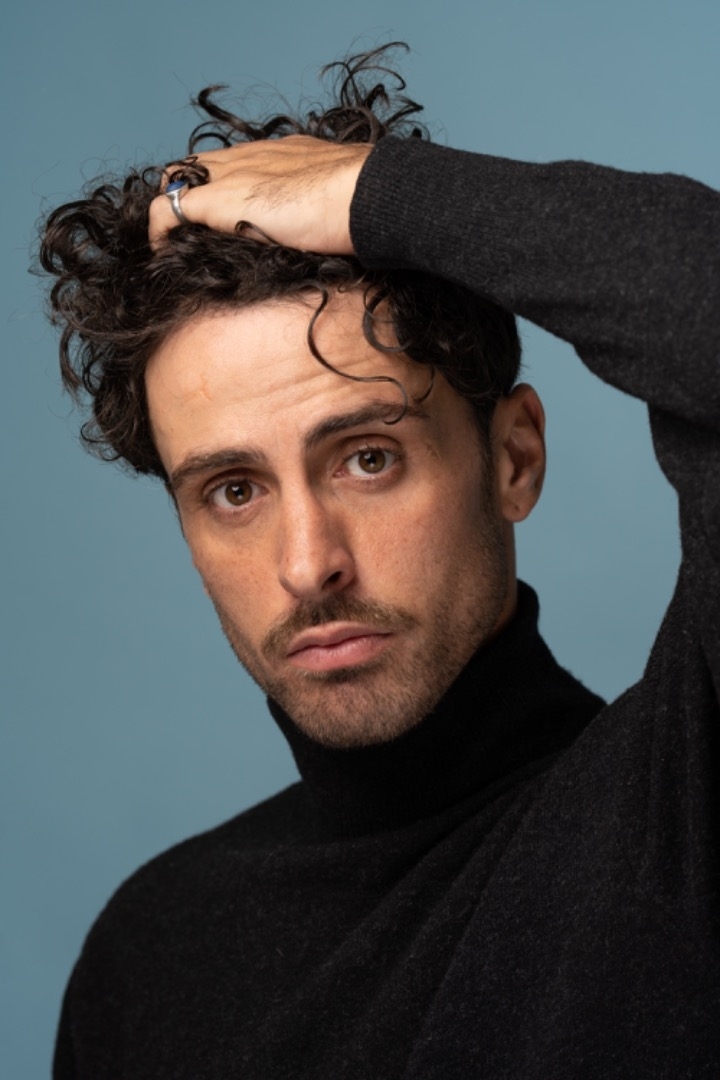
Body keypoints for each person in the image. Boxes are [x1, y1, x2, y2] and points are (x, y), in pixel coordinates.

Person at [42, 45, 720, 1079]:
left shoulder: (684, 802)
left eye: (368, 459)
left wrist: (373, 195)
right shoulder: (147, 956)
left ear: (514, 459)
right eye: (234, 490)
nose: (307, 565)